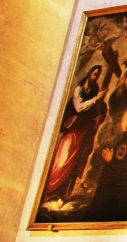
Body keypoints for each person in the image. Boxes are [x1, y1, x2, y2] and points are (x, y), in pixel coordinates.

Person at [41, 64, 107, 202]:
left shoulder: (94, 90)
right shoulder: (79, 89)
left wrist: (99, 114)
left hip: (83, 131)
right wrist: (96, 99)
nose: (95, 77)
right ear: (90, 73)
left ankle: (61, 194)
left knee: (74, 162)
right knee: (63, 159)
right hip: (73, 128)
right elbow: (79, 108)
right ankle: (48, 189)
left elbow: (97, 108)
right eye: (94, 73)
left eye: (97, 75)